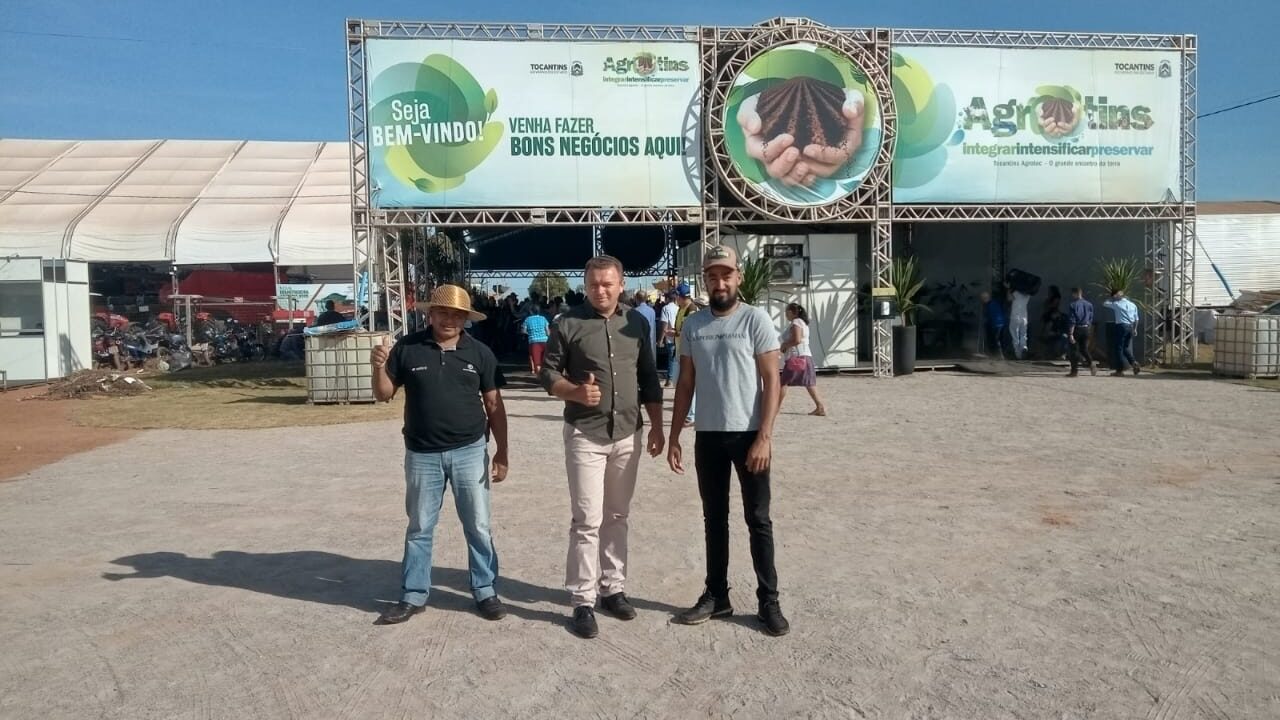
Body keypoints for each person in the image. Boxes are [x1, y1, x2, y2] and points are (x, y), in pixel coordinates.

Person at [540, 256, 664, 640]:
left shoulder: (637, 323)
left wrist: (658, 427)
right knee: (587, 520)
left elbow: (648, 377)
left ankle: (613, 589)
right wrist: (575, 392)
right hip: (586, 434)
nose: (601, 291)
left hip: (627, 433)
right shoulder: (568, 323)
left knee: (617, 515)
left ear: (621, 285)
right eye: (594, 284)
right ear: (586, 284)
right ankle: (583, 600)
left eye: (608, 284)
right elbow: (548, 373)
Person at [370, 285, 510, 625]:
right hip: (422, 454)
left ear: (466, 319)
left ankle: (485, 590)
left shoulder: (480, 353)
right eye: (443, 313)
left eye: (457, 315)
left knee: (478, 525)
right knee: (420, 526)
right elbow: (383, 394)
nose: (449, 320)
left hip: (470, 451)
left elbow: (494, 404)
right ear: (430, 314)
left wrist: (502, 452)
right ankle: (413, 594)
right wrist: (378, 367)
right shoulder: (408, 348)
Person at [668, 244, 789, 637]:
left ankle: (768, 601)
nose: (719, 283)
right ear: (704, 280)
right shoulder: (693, 325)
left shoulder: (756, 320)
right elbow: (686, 383)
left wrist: (764, 437)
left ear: (738, 277)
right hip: (708, 435)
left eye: (726, 275)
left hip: (749, 434)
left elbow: (772, 381)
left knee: (758, 520)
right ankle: (717, 596)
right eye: (712, 276)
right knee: (714, 519)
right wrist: (674, 435)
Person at [779, 303, 825, 416]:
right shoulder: (801, 322)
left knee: (783, 382)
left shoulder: (796, 322)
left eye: (786, 312)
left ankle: (775, 407)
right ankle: (820, 406)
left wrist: (785, 345)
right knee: (809, 383)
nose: (785, 314)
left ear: (791, 312)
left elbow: (797, 340)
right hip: (804, 356)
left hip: (796, 357)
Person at [1103, 289, 1141, 376]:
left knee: (1118, 348)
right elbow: (1137, 319)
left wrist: (1111, 298)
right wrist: (1135, 329)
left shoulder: (1117, 304)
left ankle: (1119, 370)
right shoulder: (1133, 305)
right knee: (1125, 348)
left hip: (1121, 326)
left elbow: (1105, 303)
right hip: (1130, 326)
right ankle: (1134, 362)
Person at [1066, 287, 1097, 377]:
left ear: (1075, 293)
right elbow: (1091, 318)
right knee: (1084, 349)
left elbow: (1072, 320)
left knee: (1074, 350)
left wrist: (1071, 334)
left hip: (1077, 328)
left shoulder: (1073, 305)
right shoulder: (1089, 304)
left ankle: (1074, 371)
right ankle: (1091, 363)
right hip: (1086, 328)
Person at [659, 287, 684, 386]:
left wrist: (661, 339)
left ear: (668, 298)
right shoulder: (679, 308)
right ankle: (677, 377)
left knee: (671, 358)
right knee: (677, 358)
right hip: (678, 335)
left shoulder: (665, 308)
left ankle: (669, 378)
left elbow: (664, 324)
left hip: (669, 336)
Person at [523, 305, 550, 374]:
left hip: (534, 342)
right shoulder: (543, 318)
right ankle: (546, 376)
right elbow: (547, 331)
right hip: (545, 341)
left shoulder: (527, 319)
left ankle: (540, 377)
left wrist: (529, 333)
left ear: (531, 311)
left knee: (537, 363)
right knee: (545, 361)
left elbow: (523, 331)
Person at [980, 290, 1007, 359]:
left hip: (996, 324)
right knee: (998, 339)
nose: (983, 300)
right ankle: (998, 354)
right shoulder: (995, 303)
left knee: (995, 340)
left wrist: (986, 321)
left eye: (983, 298)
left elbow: (990, 316)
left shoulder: (989, 305)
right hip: (1001, 323)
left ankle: (999, 355)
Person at [633, 290, 657, 362]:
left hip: (639, 343)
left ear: (636, 299)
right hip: (651, 340)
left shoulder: (634, 311)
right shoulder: (652, 311)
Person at [1009, 286, 1030, 360]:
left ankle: (1018, 354)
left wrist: (1008, 289)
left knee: (1015, 336)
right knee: (1023, 334)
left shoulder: (1015, 293)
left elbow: (1009, 298)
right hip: (1024, 317)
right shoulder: (1027, 295)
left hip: (1015, 316)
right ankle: (1024, 347)